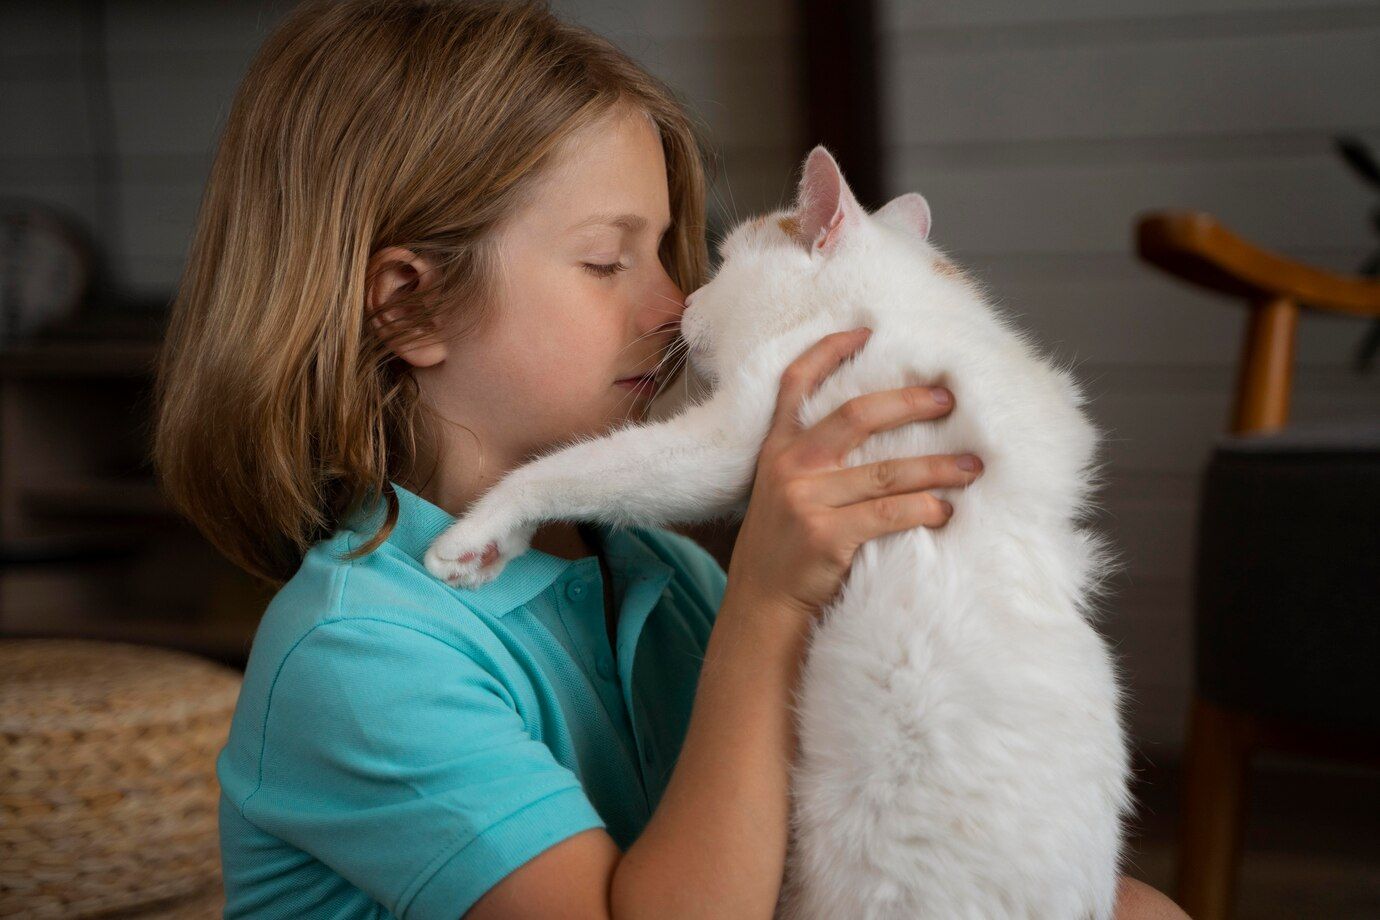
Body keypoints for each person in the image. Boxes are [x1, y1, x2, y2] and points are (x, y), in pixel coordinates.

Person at [152, 1, 1191, 917]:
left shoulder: (657, 577)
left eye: (670, 251)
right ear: (410, 302)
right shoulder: (359, 657)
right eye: (609, 260)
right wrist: (768, 609)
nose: (669, 306)